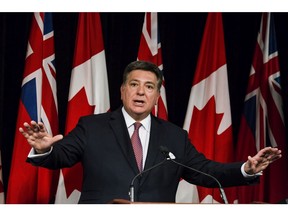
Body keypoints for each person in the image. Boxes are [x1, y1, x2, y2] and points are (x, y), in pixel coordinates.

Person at [20, 60, 282, 204]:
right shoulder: (92, 126)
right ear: (122, 91)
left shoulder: (174, 136)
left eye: (148, 87)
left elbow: (206, 172)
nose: (141, 92)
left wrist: (247, 170)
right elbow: (62, 156)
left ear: (157, 96)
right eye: (134, 84)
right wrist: (45, 149)